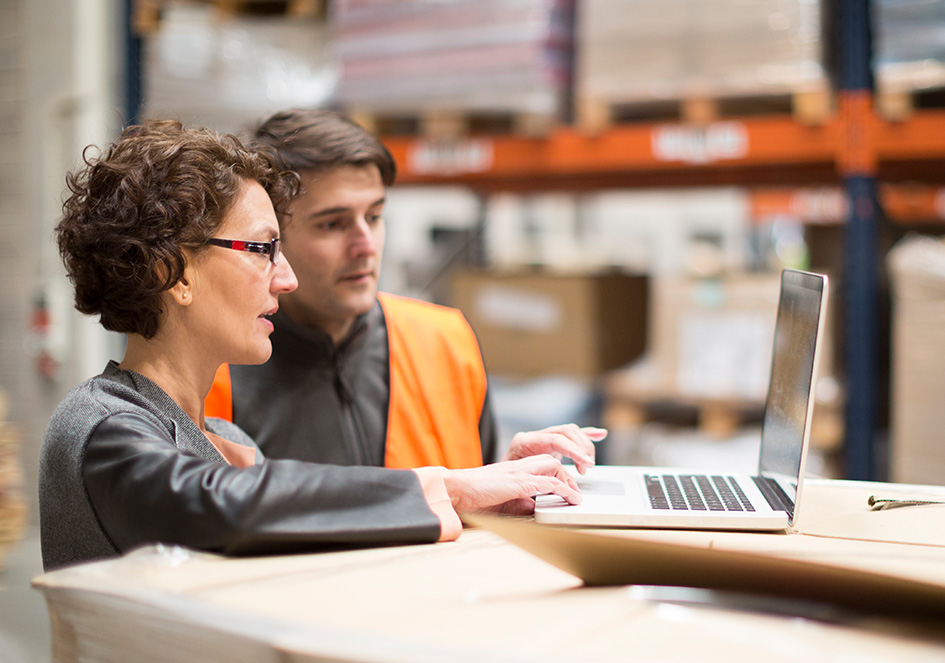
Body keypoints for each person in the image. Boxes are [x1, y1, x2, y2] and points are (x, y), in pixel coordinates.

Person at [39, 121, 582, 571]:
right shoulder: (101, 425)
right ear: (173, 272)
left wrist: (492, 496)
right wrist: (450, 488)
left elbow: (312, 540)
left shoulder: (225, 438)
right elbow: (221, 506)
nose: (286, 278)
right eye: (263, 249)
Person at [204, 109, 604, 473]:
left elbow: (470, 509)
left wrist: (506, 476)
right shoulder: (216, 373)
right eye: (333, 224)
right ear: (273, 238)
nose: (366, 245)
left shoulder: (444, 342)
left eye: (375, 217)